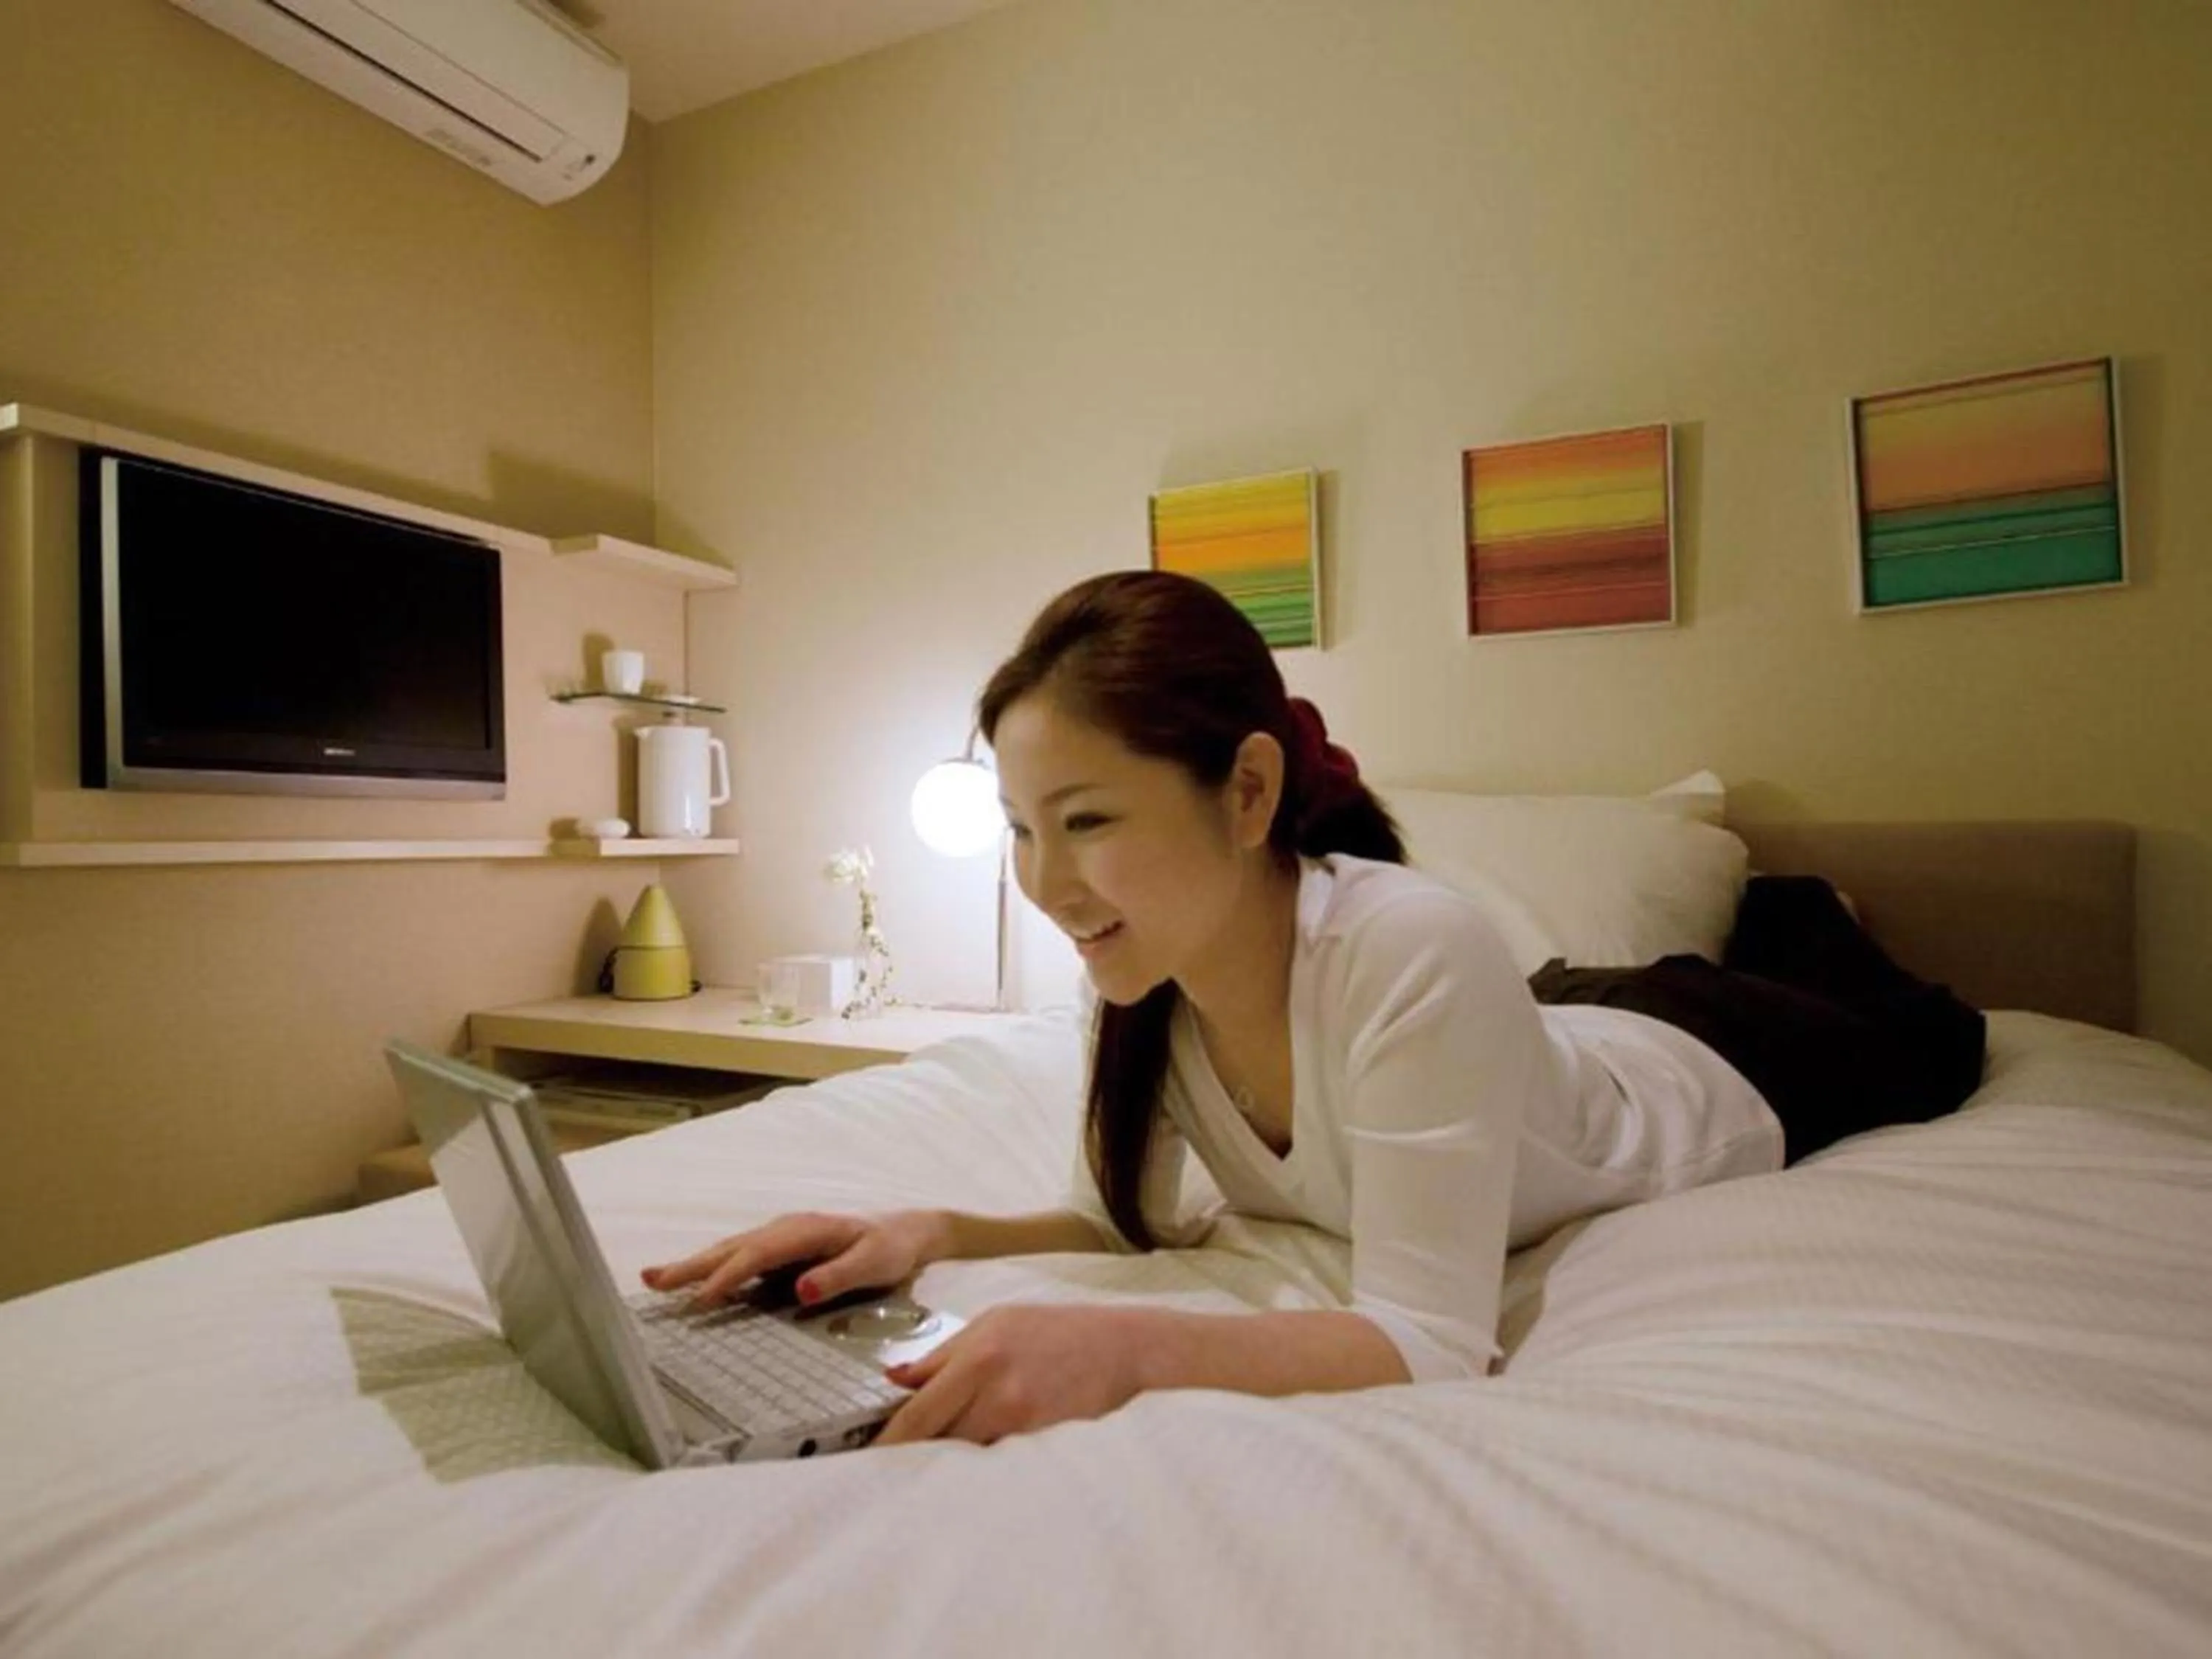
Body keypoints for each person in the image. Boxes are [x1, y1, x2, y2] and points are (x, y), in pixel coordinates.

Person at [643, 570, 1980, 1447]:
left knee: (1932, 1034)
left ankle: (1811, 918)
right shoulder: (1150, 972)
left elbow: (1430, 1343)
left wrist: (1121, 1353)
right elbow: (1134, 1219)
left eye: (1089, 821)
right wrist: (920, 1229)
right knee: (1561, 992)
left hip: (1716, 1061)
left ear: (1247, 792)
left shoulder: (1412, 943)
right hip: (1547, 1021)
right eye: (1021, 831)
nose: (1046, 884)